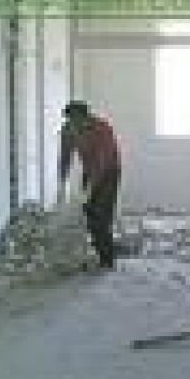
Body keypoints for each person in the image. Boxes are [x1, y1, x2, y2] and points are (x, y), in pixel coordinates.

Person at [57, 100, 121, 269]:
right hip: (89, 170)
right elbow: (65, 157)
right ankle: (96, 250)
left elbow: (102, 160)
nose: (72, 125)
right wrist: (61, 183)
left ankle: (107, 260)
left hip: (109, 172)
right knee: (88, 212)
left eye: (75, 121)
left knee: (102, 214)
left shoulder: (102, 128)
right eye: (69, 121)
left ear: (85, 117)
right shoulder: (68, 130)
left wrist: (91, 189)